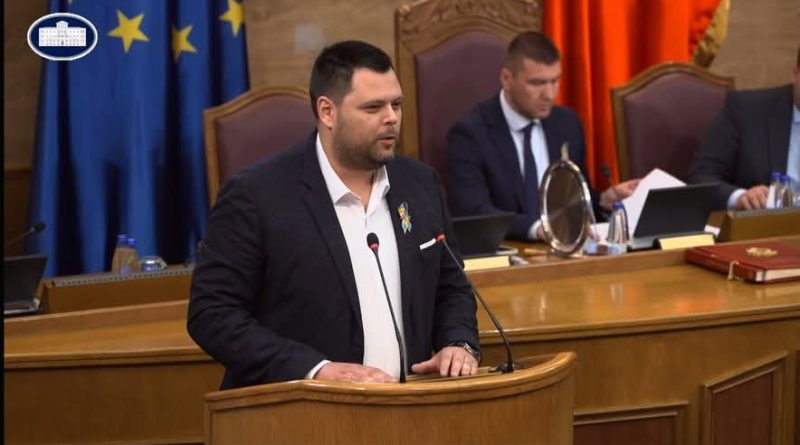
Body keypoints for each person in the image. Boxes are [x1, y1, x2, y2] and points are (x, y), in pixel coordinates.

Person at [187, 41, 480, 389]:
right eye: (373, 107)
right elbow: (212, 313)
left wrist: (458, 343)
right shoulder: (256, 196)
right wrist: (315, 369)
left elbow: (452, 287)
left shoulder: (420, 184)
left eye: (396, 104)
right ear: (327, 112)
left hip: (406, 405)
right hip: (301, 409)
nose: (391, 117)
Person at [447, 31, 639, 241]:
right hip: (508, 250)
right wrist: (538, 228)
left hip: (565, 249)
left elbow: (571, 200)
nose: (549, 94)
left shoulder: (567, 124)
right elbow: (474, 212)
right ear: (507, 79)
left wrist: (602, 200)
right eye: (537, 83)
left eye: (555, 81)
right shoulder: (471, 135)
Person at [687, 46, 800, 210]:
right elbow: (700, 177)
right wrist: (740, 197)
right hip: (765, 223)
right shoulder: (746, 110)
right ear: (795, 74)